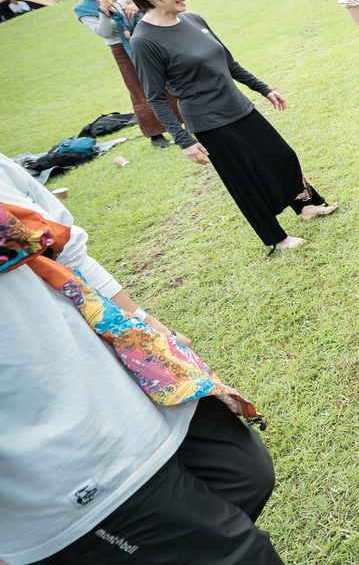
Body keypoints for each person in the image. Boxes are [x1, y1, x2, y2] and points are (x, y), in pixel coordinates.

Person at [0, 155, 283, 565]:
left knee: (247, 473)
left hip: (122, 369)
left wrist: (146, 323)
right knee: (242, 553)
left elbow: (69, 251)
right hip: (58, 455)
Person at [122, 0, 337, 252]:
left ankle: (307, 206)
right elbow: (156, 98)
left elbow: (229, 63)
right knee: (245, 181)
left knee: (283, 156)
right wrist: (184, 140)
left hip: (239, 106)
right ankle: (276, 239)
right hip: (210, 122)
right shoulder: (144, 41)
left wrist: (264, 89)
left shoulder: (193, 19)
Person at [70, 0, 181, 148]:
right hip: (122, 50)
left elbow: (150, 15)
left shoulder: (123, 0)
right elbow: (104, 33)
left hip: (147, 44)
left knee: (168, 81)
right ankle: (156, 134)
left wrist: (137, 5)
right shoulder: (82, 8)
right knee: (140, 90)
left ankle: (182, 125)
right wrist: (103, 11)